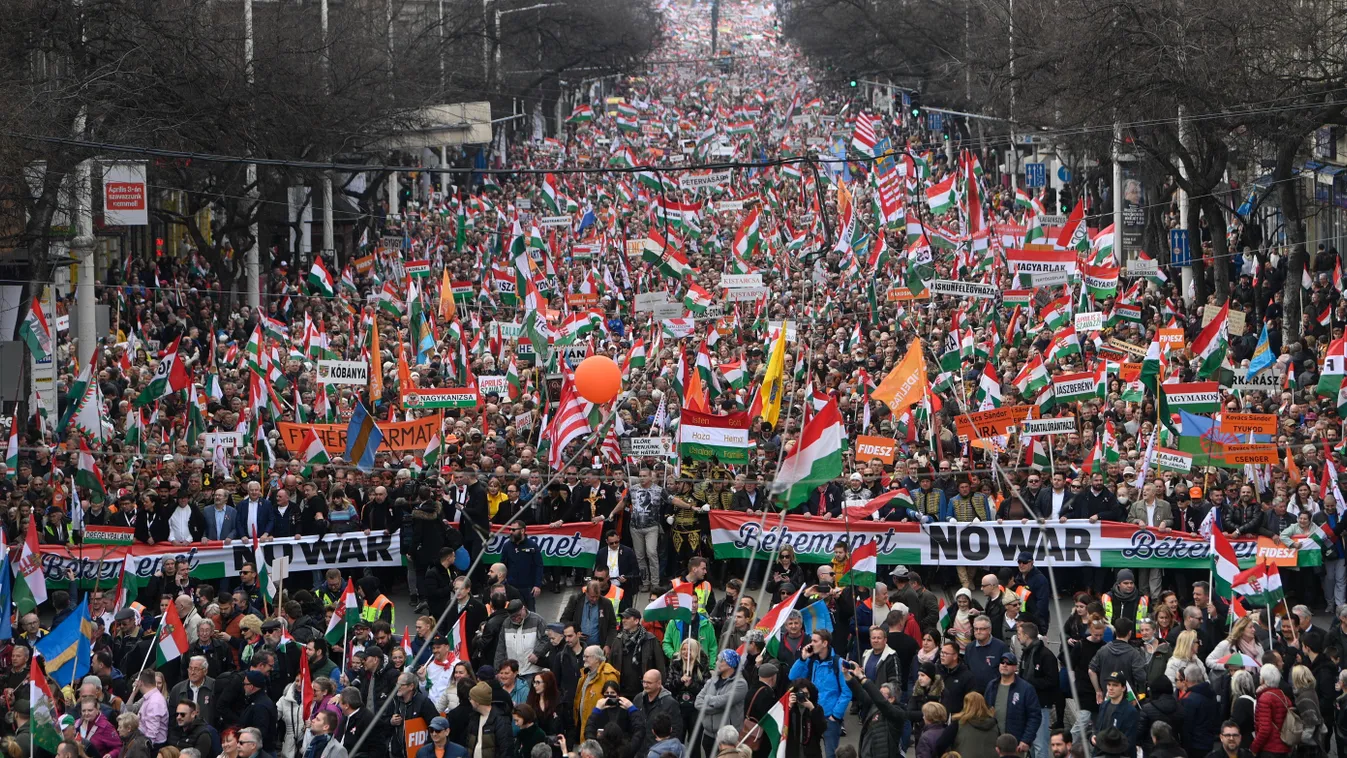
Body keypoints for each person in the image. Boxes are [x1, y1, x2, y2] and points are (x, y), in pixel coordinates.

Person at [787, 631, 850, 758]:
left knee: (831, 753)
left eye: (815, 641)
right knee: (810, 751)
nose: (811, 644)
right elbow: (792, 677)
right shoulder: (811, 661)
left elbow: (847, 691)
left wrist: (836, 715)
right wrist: (803, 658)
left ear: (825, 643)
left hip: (829, 717)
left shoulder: (838, 662)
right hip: (811, 713)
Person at [983, 651, 1040, 755]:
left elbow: (1034, 716)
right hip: (994, 743)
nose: (1004, 665)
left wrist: (1026, 740)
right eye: (1002, 662)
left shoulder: (1026, 689)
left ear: (1015, 667)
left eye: (1008, 663)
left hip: (1016, 745)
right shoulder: (991, 685)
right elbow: (984, 711)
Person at [696, 650, 748, 756]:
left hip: (727, 737)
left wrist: (707, 699)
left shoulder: (740, 684)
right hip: (708, 734)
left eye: (721, 660)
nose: (716, 663)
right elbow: (697, 702)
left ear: (730, 663)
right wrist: (716, 705)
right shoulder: (712, 681)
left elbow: (724, 702)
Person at [611, 609, 668, 699]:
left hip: (644, 691)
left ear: (636, 621)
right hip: (622, 691)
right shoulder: (618, 640)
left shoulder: (650, 639)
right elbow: (611, 665)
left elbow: (660, 665)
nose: (623, 620)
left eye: (627, 618)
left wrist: (661, 687)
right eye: (623, 618)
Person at [576, 646, 621, 738]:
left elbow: (613, 706)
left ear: (596, 659)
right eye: (584, 656)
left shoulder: (609, 676)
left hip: (600, 730)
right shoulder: (585, 675)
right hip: (586, 727)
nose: (584, 659)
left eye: (587, 656)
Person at [1177, 662, 1220, 756]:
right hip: (1209, 741)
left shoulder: (1188, 699)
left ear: (1186, 679)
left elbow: (1186, 727)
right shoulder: (1211, 693)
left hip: (1194, 745)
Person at [1252, 663, 1294, 757]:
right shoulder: (1283, 696)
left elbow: (1264, 729)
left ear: (1262, 679)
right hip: (1284, 746)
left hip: (1269, 749)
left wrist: (1254, 747)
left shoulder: (1265, 698)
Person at [1094, 672, 1140, 754]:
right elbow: (1097, 729)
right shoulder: (1103, 706)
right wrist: (1092, 738)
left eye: (1115, 685)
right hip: (1100, 753)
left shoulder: (1130, 711)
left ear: (1123, 688)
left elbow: (1129, 742)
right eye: (1109, 684)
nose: (1110, 688)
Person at [465, 682, 515, 758]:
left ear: (478, 701)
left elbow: (506, 750)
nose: (470, 701)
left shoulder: (501, 720)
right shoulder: (474, 718)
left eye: (471, 698)